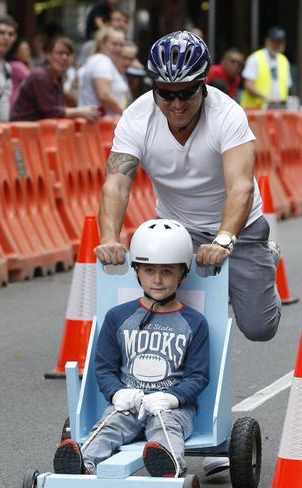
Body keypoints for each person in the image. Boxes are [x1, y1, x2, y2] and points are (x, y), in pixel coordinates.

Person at [95, 30, 280, 347]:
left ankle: (267, 258)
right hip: (177, 229)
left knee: (258, 328)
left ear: (204, 85)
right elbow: (116, 185)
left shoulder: (228, 115)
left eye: (187, 93)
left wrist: (224, 240)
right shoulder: (136, 117)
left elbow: (240, 187)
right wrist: (109, 238)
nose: (176, 103)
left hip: (239, 227)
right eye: (165, 93)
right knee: (177, 325)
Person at [53, 219, 209, 477]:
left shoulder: (195, 323)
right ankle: (83, 462)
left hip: (171, 408)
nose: (157, 280)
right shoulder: (118, 317)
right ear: (137, 270)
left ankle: (169, 465)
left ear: (183, 273)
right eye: (149, 270)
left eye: (167, 271)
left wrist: (172, 398)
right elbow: (103, 368)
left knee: (165, 427)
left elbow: (198, 375)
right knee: (109, 425)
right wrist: (117, 394)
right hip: (128, 404)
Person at [11, 36, 99, 122]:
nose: (64, 57)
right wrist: (80, 112)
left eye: (68, 54)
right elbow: (52, 111)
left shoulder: (57, 76)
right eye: (60, 53)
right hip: (22, 130)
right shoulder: (40, 76)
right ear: (48, 55)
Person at [77, 27, 128, 115]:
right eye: (114, 44)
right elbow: (104, 95)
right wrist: (125, 114)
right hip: (102, 124)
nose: (118, 48)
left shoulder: (97, 60)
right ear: (102, 44)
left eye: (121, 45)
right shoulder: (102, 61)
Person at [241, 26, 292, 109]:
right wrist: (266, 98)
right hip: (255, 110)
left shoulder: (284, 60)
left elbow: (287, 87)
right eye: (274, 41)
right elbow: (248, 85)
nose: (277, 45)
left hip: (277, 110)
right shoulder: (255, 58)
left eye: (280, 42)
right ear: (267, 41)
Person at [6, 38, 33, 108]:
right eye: (24, 50)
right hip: (16, 105)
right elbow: (35, 83)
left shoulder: (16, 65)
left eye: (28, 49)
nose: (28, 52)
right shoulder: (17, 66)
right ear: (16, 53)